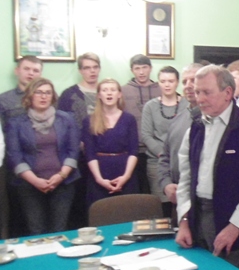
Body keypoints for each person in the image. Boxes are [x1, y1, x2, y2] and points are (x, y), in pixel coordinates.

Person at [175, 65, 239, 270]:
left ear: (228, 93)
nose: (200, 99)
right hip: (198, 217)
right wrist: (184, 220)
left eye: (207, 92)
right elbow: (186, 178)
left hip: (233, 221)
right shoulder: (196, 127)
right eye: (197, 92)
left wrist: (236, 226)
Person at [5, 78, 80, 235]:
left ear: (53, 96)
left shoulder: (66, 119)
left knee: (60, 229)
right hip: (29, 185)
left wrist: (61, 175)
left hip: (63, 183)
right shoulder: (16, 122)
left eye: (47, 93)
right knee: (36, 230)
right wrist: (35, 181)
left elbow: (73, 151)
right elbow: (15, 156)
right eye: (38, 92)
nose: (43, 96)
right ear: (30, 96)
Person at [58, 52, 101, 228]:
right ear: (80, 70)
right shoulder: (68, 95)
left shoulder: (108, 91)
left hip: (104, 156)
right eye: (87, 68)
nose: (92, 71)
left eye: (95, 67)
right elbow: (62, 126)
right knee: (81, 202)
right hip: (79, 158)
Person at [82, 79, 139, 206]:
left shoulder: (129, 119)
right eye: (105, 90)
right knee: (101, 212)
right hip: (99, 174)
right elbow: (89, 153)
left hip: (125, 172)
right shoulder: (89, 120)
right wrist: (99, 179)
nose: (109, 93)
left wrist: (126, 177)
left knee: (127, 211)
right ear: (99, 95)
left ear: (119, 94)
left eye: (113, 90)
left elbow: (133, 151)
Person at [141, 66, 187, 216]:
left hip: (183, 162)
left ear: (177, 82)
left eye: (171, 81)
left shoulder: (187, 105)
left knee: (184, 204)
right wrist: (163, 154)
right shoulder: (150, 106)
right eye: (163, 81)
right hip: (157, 162)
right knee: (162, 206)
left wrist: (176, 154)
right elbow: (146, 135)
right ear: (158, 83)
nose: (167, 85)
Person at [157, 64, 201, 216]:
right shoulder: (178, 119)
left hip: (205, 202)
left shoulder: (215, 119)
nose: (188, 85)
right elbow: (165, 157)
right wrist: (166, 184)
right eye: (184, 81)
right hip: (178, 200)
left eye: (193, 80)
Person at [121, 54, 160, 194]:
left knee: (156, 191)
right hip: (132, 150)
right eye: (137, 68)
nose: (141, 72)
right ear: (132, 70)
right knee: (135, 191)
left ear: (150, 68)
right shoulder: (122, 91)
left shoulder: (161, 89)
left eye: (144, 67)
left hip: (157, 150)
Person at [0, 55, 43, 125]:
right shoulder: (3, 100)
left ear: (40, 75)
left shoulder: (49, 98)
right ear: (17, 71)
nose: (31, 73)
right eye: (26, 69)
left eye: (35, 71)